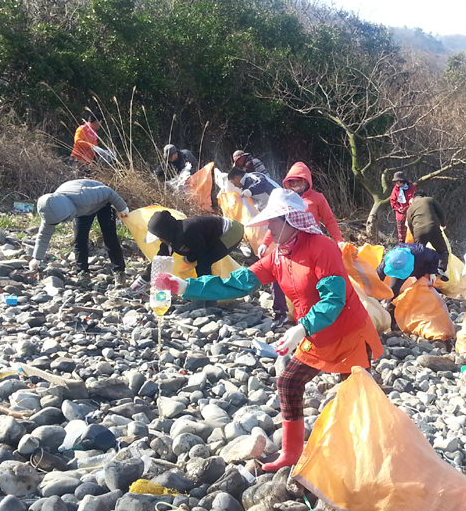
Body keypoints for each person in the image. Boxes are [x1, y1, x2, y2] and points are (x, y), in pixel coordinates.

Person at [154, 189, 382, 471]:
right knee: (288, 383)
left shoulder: (322, 247)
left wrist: (301, 328)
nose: (268, 229)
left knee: (359, 396)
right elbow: (239, 282)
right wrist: (186, 286)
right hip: (315, 334)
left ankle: (369, 458)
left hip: (349, 333)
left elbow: (333, 299)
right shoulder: (278, 256)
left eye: (273, 222)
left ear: (290, 220)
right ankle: (291, 454)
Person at [261, 162, 343, 326]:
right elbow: (277, 222)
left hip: (310, 246)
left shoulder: (317, 198)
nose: (295, 185)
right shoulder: (285, 198)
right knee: (277, 276)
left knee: (313, 281)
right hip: (287, 246)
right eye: (292, 181)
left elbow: (329, 220)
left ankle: (317, 316)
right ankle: (280, 313)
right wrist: (265, 243)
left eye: (299, 181)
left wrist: (339, 240)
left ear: (307, 181)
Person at [29, 179, 129, 284]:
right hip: (82, 211)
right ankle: (83, 273)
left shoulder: (82, 196)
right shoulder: (50, 211)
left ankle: (119, 272)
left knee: (110, 237)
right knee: (79, 239)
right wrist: (37, 258)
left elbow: (108, 192)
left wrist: (122, 208)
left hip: (103, 202)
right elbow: (44, 234)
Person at [146, 211, 246, 277]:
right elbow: (160, 259)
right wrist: (142, 281)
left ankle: (207, 298)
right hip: (215, 234)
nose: (160, 240)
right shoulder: (171, 237)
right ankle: (205, 294)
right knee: (202, 262)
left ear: (165, 232)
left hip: (231, 230)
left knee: (204, 262)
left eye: (160, 237)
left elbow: (201, 252)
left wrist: (189, 258)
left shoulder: (187, 231)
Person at [377, 243, 443, 298]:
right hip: (405, 267)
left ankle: (437, 296)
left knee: (426, 285)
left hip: (420, 267)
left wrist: (432, 272)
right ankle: (390, 307)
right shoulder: (390, 259)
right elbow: (378, 275)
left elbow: (435, 256)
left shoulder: (420, 252)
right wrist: (373, 286)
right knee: (393, 290)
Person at [405, 194, 448, 272]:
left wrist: (415, 236)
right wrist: (443, 224)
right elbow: (441, 213)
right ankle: (440, 269)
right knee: (442, 251)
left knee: (419, 254)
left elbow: (410, 224)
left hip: (418, 231)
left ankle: (418, 273)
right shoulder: (429, 200)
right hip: (432, 228)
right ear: (424, 196)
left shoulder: (410, 208)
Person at [388, 171, 416, 243]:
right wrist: (398, 208)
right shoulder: (395, 189)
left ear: (402, 181)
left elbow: (416, 200)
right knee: (401, 238)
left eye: (397, 181)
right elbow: (392, 201)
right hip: (400, 216)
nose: (396, 183)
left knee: (412, 235)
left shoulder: (412, 188)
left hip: (411, 215)